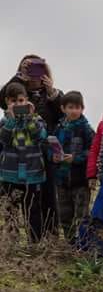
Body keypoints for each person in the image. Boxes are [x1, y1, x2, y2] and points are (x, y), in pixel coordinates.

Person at [0, 55, 64, 236]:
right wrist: (18, 76)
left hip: (43, 151)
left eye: (38, 68)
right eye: (28, 68)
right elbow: (2, 97)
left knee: (47, 197)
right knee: (15, 200)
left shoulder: (51, 93)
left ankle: (49, 236)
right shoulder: (16, 93)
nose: (34, 73)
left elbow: (63, 114)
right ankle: (15, 238)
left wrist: (52, 92)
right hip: (14, 159)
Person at [0, 83, 48, 242]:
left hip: (32, 173)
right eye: (14, 101)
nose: (18, 104)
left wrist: (29, 118)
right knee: (10, 210)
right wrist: (12, 121)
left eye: (21, 100)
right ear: (7, 101)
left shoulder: (37, 119)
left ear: (27, 100)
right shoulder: (5, 121)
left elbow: (40, 136)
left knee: (33, 210)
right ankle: (11, 242)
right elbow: (4, 140)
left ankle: (35, 243)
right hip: (9, 174)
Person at [49, 91, 95, 243]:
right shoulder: (59, 127)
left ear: (82, 108)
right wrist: (53, 156)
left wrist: (75, 158)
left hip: (80, 180)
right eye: (70, 107)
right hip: (61, 179)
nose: (74, 111)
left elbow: (93, 151)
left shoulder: (86, 129)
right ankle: (70, 243)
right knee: (64, 214)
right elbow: (50, 146)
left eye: (77, 107)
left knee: (82, 215)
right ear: (63, 108)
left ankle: (84, 243)